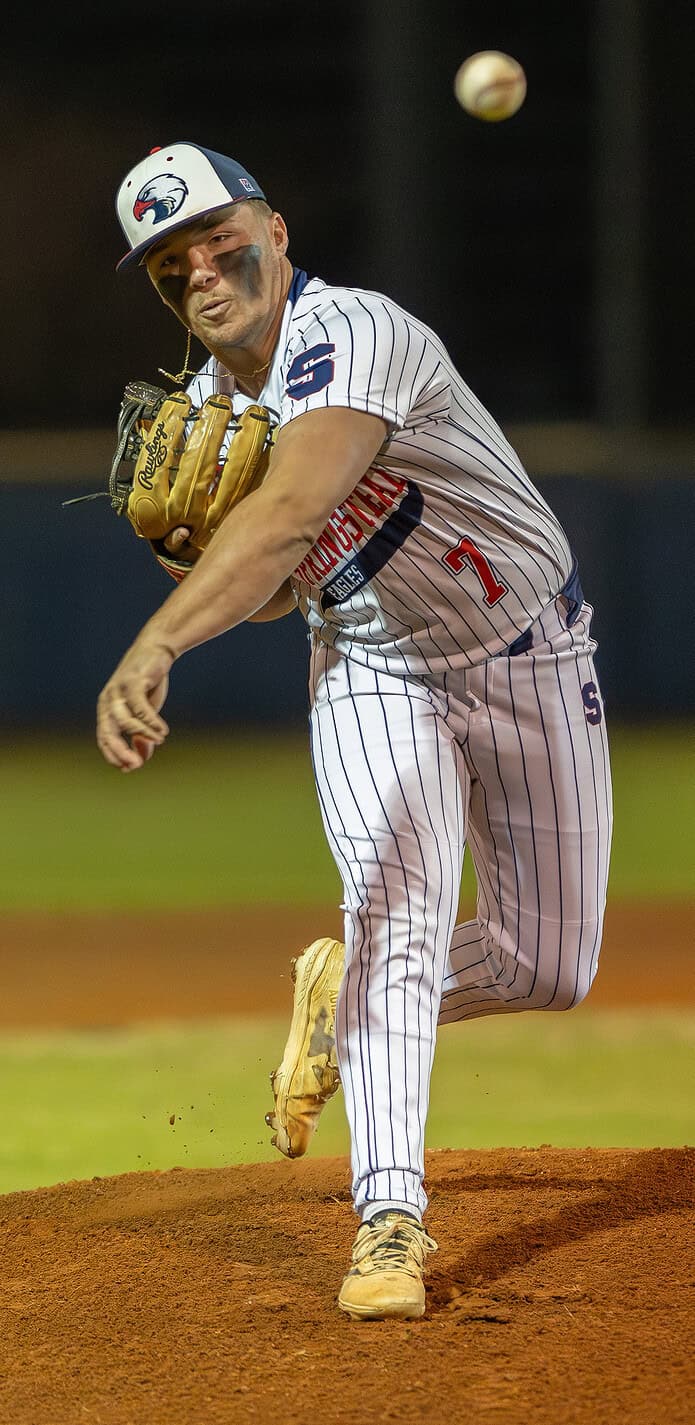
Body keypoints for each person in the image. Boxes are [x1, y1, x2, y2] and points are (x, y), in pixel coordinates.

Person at [98, 140, 613, 1322]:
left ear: (274, 230)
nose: (200, 274)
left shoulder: (357, 332)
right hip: (375, 670)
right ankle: (389, 1223)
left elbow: (289, 513)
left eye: (216, 241)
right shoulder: (213, 409)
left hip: (530, 648)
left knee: (550, 967)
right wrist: (189, 557)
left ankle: (349, 1004)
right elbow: (286, 583)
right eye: (170, 268)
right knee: (395, 904)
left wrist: (158, 638)